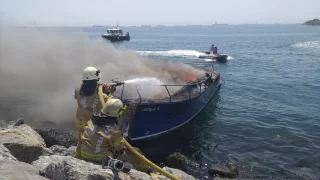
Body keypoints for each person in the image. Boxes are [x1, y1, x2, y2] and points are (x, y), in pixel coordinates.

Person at [80, 98, 152, 173]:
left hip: (85, 154)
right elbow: (120, 148)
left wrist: (124, 107)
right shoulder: (113, 130)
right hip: (100, 158)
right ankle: (147, 170)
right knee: (134, 151)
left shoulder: (91, 121)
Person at [74, 66, 115, 159]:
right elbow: (113, 105)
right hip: (93, 125)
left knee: (81, 141)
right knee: (93, 142)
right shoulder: (102, 96)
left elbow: (85, 92)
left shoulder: (78, 92)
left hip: (80, 121)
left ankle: (78, 156)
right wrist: (109, 91)